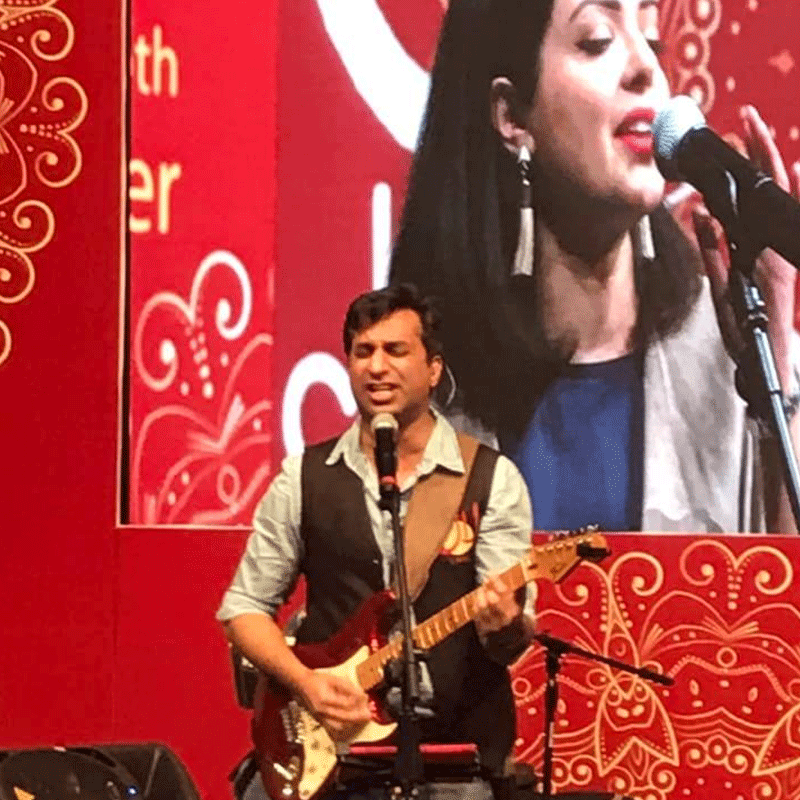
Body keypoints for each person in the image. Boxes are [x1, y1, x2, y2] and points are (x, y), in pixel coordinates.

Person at [389, 0, 800, 534]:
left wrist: (776, 376)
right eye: (597, 40)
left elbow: (775, 606)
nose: (644, 69)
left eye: (652, 40)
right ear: (511, 114)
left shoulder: (730, 351)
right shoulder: (428, 385)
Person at [218, 284, 537, 800]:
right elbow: (244, 610)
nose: (377, 367)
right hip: (331, 750)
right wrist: (306, 685)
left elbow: (508, 643)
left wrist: (504, 624)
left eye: (396, 350)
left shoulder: (489, 479)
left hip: (454, 759)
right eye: (363, 352)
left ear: (433, 369)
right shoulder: (303, 476)